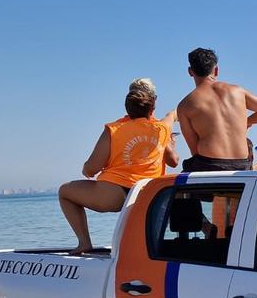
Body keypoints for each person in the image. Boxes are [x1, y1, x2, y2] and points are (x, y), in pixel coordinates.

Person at [59, 78, 179, 254]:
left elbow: (91, 169)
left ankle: (84, 243)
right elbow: (174, 116)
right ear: (153, 104)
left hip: (113, 194)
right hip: (148, 195)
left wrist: (87, 168)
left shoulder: (114, 129)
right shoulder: (161, 129)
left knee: (65, 192)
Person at [177, 47, 257, 172]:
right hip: (242, 163)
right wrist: (247, 122)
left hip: (209, 165)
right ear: (216, 70)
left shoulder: (185, 105)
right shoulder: (237, 91)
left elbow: (195, 151)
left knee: (188, 165)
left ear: (190, 72)